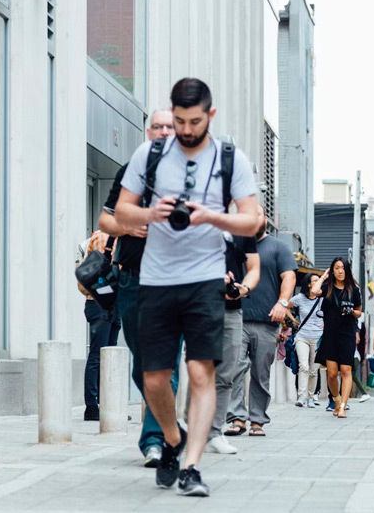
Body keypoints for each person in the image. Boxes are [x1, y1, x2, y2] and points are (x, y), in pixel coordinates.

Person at [114, 78, 261, 496]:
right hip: (157, 280)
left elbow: (252, 220)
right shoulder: (152, 153)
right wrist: (150, 213)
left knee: (201, 372)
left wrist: (211, 217)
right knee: (155, 379)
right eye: (178, 121)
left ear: (209, 116)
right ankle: (174, 441)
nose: (185, 129)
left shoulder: (231, 158)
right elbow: (121, 210)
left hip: (205, 279)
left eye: (194, 121)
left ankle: (192, 466)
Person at [99, 108, 177, 467]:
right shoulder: (130, 173)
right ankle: (164, 423)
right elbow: (104, 219)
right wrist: (126, 228)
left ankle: (155, 440)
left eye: (169, 127)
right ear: (149, 132)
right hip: (132, 277)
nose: (163, 132)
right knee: (142, 364)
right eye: (157, 126)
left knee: (165, 363)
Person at [226, 204, 297, 437]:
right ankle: (237, 418)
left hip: (267, 321)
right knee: (234, 368)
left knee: (260, 373)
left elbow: (289, 276)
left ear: (265, 219)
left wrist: (282, 303)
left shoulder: (278, 247)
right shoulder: (233, 246)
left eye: (257, 214)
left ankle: (257, 419)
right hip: (235, 317)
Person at [201, 232, 259, 454]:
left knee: (226, 375)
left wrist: (242, 288)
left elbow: (253, 268)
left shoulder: (243, 229)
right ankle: (191, 429)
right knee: (199, 372)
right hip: (198, 306)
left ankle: (215, 434)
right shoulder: (194, 218)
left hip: (232, 311)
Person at [76, 230, 122, 422]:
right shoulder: (104, 237)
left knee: (109, 357)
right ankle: (92, 406)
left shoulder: (122, 239)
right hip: (100, 302)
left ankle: (107, 405)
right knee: (98, 355)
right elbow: (101, 272)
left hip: (112, 303)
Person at [311, 257, 363, 418]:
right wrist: (323, 276)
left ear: (347, 270)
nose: (340, 271)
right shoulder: (327, 288)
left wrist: (351, 311)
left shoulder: (353, 290)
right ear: (332, 270)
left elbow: (359, 311)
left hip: (347, 334)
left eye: (343, 268)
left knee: (346, 370)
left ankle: (343, 407)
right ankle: (337, 399)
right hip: (330, 335)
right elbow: (313, 292)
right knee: (332, 374)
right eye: (337, 268)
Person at [289, 274, 324, 408]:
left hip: (318, 338)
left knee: (314, 370)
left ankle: (310, 396)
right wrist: (293, 320)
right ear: (309, 284)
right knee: (303, 366)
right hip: (302, 337)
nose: (318, 282)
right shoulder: (300, 298)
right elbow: (286, 305)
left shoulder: (322, 299)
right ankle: (302, 396)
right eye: (315, 280)